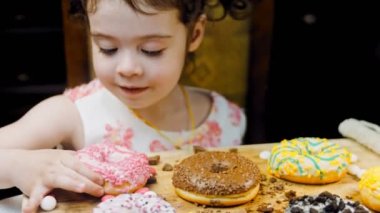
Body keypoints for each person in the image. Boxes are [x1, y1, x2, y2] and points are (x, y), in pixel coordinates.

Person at [0, 0, 249, 212]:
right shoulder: (71, 114)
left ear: (194, 34)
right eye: (108, 48)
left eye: (151, 51)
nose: (127, 68)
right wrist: (17, 166)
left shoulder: (226, 118)